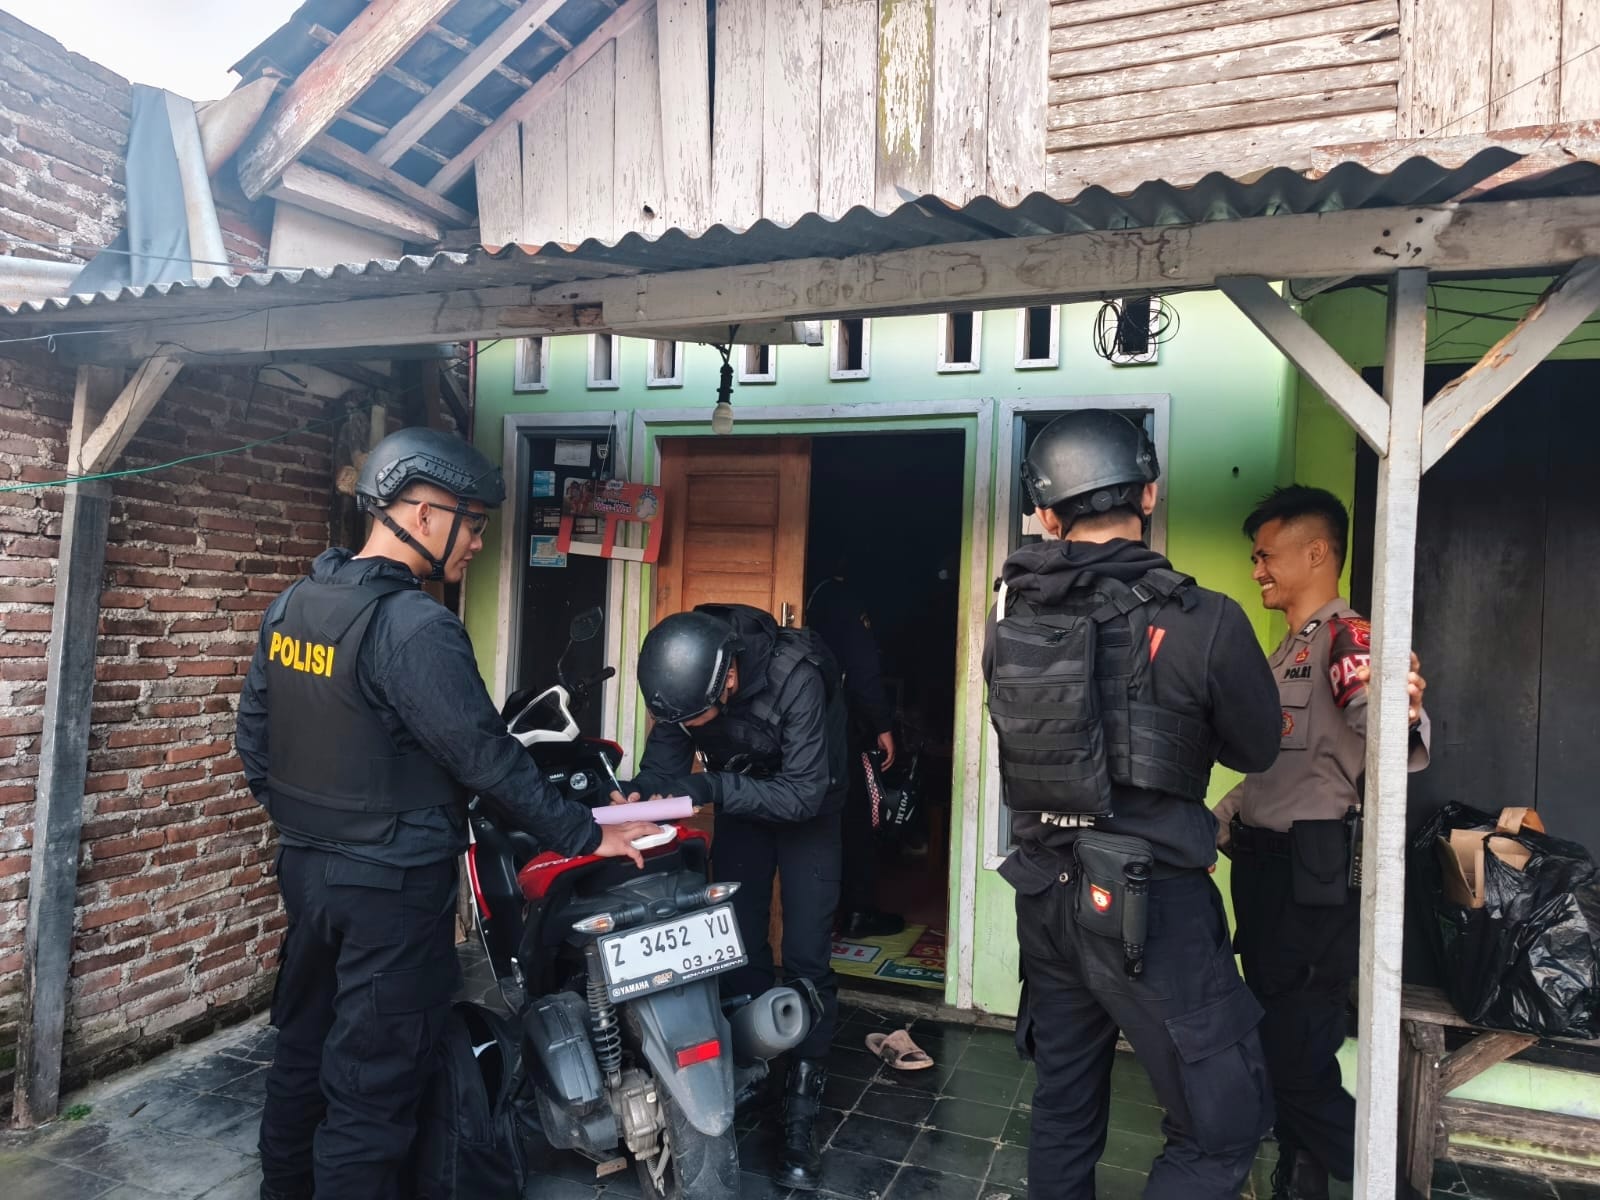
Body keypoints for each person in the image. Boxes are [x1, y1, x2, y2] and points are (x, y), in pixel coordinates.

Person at [236, 427, 658, 1200]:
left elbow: (254, 744)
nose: (477, 544)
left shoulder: (293, 606)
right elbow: (486, 761)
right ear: (424, 513)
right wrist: (586, 832)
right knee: (372, 1087)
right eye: (473, 525)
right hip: (391, 890)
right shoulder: (415, 628)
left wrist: (313, 825)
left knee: (301, 1056)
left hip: (307, 875)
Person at [986, 410, 1282, 1199]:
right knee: (1221, 1127)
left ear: (1047, 515)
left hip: (1046, 894)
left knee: (1063, 1108)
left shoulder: (1010, 616)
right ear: (1148, 493)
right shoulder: (1206, 619)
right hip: (1152, 907)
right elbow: (1256, 749)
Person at [1213, 485, 1430, 1200]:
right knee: (1288, 1043)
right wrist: (1213, 822)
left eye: (1265, 556)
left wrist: (1404, 709)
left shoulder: (1350, 639)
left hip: (1310, 881)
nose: (1257, 570)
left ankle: (1385, 1187)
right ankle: (1300, 1178)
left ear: (1315, 553)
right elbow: (1280, 771)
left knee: (1293, 1061)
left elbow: (1386, 729)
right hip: (1268, 877)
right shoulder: (1288, 651)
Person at [616, 603, 846, 1191]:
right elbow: (663, 771)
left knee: (806, 952)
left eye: (696, 718)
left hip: (811, 806)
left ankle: (801, 1109)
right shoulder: (684, 681)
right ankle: (755, 1071)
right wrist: (637, 798)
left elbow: (801, 795)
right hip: (744, 799)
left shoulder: (797, 676)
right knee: (738, 942)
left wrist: (712, 786)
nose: (688, 727)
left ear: (731, 678)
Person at [805, 558, 903, 938]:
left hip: (800, 723)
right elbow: (863, 669)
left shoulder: (809, 596)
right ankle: (860, 910)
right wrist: (882, 725)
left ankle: (830, 915)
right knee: (857, 813)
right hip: (838, 722)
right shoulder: (844, 599)